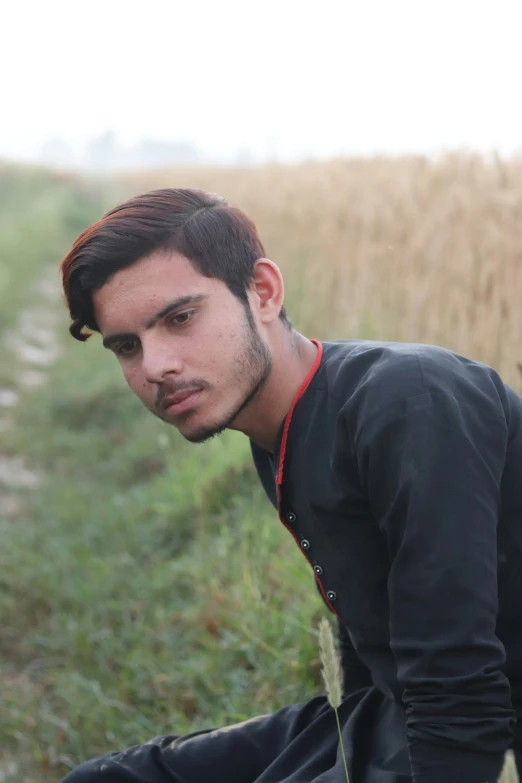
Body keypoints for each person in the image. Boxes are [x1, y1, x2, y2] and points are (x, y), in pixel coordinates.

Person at [58, 188, 522, 783]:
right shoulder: (277, 427)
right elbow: (370, 629)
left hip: (480, 737)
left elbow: (460, 682)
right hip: (390, 715)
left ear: (264, 292)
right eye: (127, 345)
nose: (155, 366)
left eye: (180, 318)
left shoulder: (410, 403)